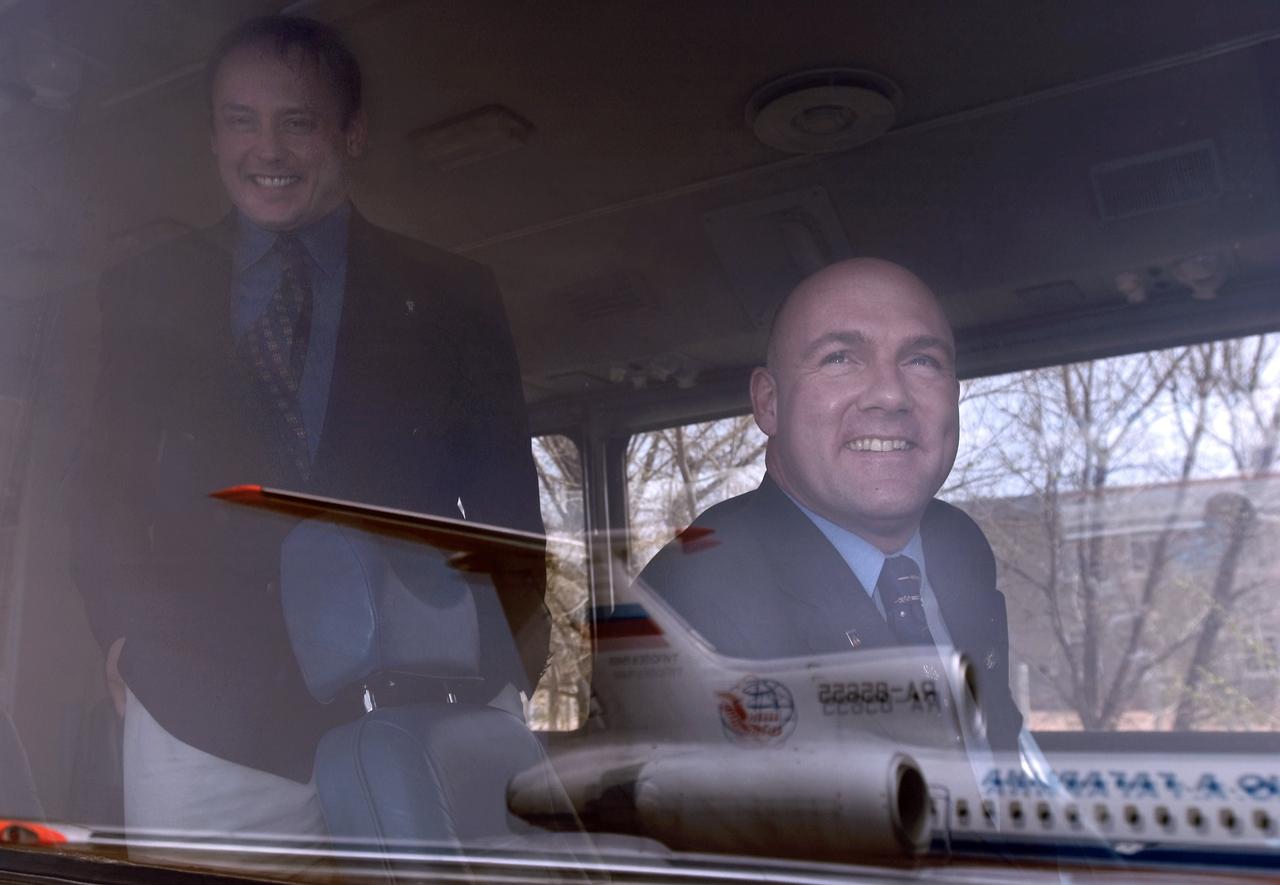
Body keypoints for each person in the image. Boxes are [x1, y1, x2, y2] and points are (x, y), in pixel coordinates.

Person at [69, 14, 548, 841]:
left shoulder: (452, 293)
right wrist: (121, 632)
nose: (268, 150)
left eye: (297, 121)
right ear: (213, 136)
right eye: (240, 120)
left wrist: (507, 670)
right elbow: (102, 489)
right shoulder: (146, 289)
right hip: (203, 721)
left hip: (418, 710)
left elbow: (507, 510)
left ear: (350, 133)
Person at [638, 258, 1023, 750]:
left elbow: (997, 749)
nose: (889, 394)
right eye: (840, 358)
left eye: (922, 361)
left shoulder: (960, 543)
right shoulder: (687, 600)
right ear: (769, 403)